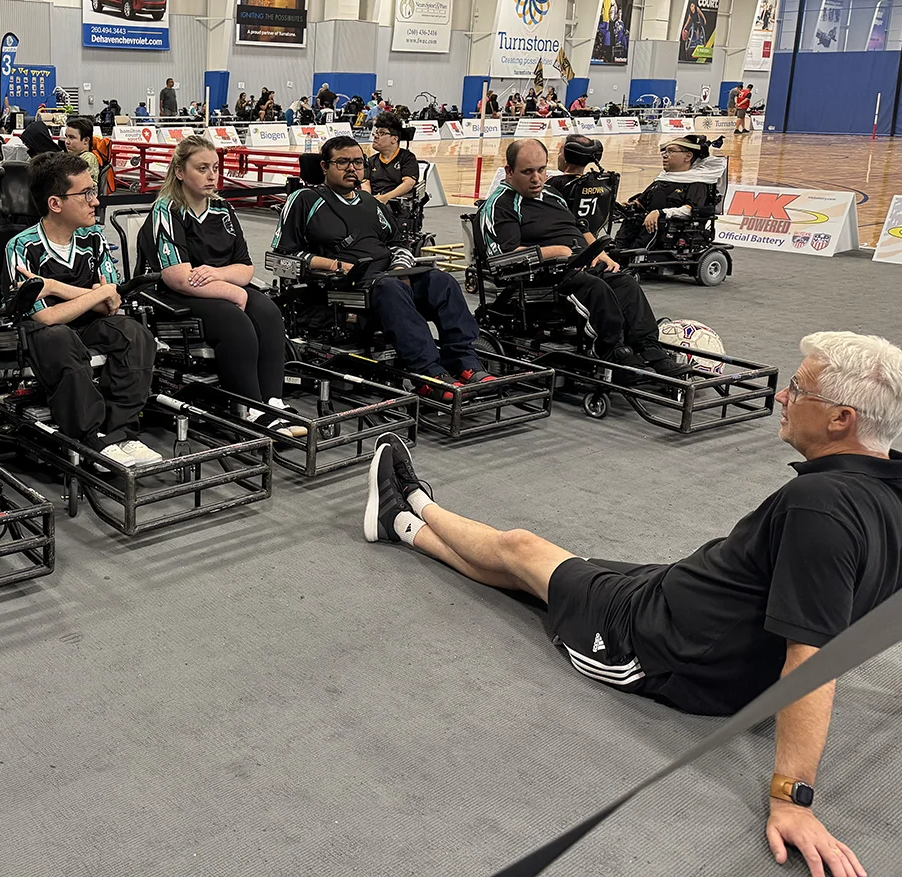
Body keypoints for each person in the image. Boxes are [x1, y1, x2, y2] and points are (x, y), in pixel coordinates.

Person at [363, 330, 902, 877]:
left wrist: (793, 800)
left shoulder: (819, 506)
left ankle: (415, 505)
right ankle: (400, 524)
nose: (784, 396)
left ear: (842, 419)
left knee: (521, 551)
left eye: (799, 389)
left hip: (651, 643)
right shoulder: (890, 486)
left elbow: (809, 660)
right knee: (541, 573)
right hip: (680, 594)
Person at [274, 136, 487, 398]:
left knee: (441, 281)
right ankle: (428, 373)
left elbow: (398, 244)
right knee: (390, 288)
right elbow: (282, 256)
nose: (351, 168)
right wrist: (334, 265)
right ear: (324, 166)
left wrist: (399, 269)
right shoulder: (305, 200)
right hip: (341, 288)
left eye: (357, 162)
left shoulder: (372, 203)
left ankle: (464, 362)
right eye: (342, 162)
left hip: (388, 278)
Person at [482, 139, 687, 377]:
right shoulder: (501, 204)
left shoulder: (551, 194)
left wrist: (599, 253)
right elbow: (504, 258)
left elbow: (579, 227)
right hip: (543, 281)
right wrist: (556, 252)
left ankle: (649, 349)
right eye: (527, 172)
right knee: (594, 288)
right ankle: (611, 354)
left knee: (625, 282)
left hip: (578, 267)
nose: (537, 178)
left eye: (541, 169)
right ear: (509, 171)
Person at [4, 152, 158, 467]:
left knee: (135, 334)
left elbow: (113, 300)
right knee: (60, 336)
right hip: (44, 336)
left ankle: (121, 432)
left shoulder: (94, 238)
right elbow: (45, 316)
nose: (95, 201)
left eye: (94, 191)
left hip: (89, 325)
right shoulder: (20, 247)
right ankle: (91, 438)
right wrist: (96, 295)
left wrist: (55, 287)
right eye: (86, 194)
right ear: (55, 203)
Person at [144, 136, 303, 437]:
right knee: (235, 322)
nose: (211, 175)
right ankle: (250, 408)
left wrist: (220, 276)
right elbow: (177, 277)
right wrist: (232, 290)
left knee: (268, 312)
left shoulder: (223, 209)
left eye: (215, 168)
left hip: (215, 284)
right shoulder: (166, 210)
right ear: (179, 172)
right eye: (202, 168)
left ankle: (273, 401)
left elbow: (246, 268)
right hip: (176, 295)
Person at [615, 134, 724, 249]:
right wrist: (630, 206)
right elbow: (642, 202)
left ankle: (630, 254)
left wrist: (661, 213)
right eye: (664, 152)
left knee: (651, 225)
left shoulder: (697, 182)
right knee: (630, 220)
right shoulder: (662, 179)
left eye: (671, 151)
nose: (665, 155)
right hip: (645, 223)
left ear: (688, 156)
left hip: (668, 229)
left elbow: (690, 210)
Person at [362, 111, 420, 207]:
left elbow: (409, 183)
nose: (376, 136)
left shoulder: (407, 158)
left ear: (394, 139)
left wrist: (386, 198)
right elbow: (365, 183)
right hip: (375, 202)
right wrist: (369, 200)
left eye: (381, 133)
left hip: (396, 204)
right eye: (376, 132)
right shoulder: (371, 161)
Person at [63, 117, 101, 189]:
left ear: (86, 140)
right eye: (66, 137)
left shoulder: (88, 158)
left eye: (71, 137)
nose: (67, 142)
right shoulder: (71, 157)